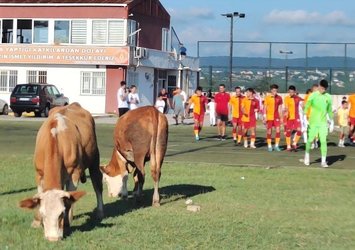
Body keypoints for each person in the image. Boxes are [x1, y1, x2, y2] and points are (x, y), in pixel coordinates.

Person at [303, 79, 334, 168]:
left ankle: (323, 161)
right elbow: (307, 105)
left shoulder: (328, 97)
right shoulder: (313, 95)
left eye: (324, 89)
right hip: (313, 122)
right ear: (319, 86)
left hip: (323, 123)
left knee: (323, 141)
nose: (322, 90)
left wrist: (331, 121)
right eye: (321, 88)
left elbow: (329, 110)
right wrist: (305, 117)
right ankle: (307, 156)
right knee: (310, 140)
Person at [263, 84, 283, 152]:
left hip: (276, 117)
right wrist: (264, 117)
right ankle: (269, 146)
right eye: (274, 90)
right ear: (271, 90)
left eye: (276, 90)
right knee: (269, 131)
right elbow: (265, 108)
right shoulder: (267, 98)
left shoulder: (279, 98)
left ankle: (276, 145)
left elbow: (280, 108)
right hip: (269, 117)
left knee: (278, 130)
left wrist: (281, 117)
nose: (275, 92)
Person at [283, 85, 304, 151]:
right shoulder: (286, 98)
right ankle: (288, 146)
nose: (291, 93)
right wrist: (286, 112)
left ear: (295, 92)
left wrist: (304, 105)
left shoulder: (298, 98)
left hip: (296, 117)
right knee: (288, 131)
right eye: (290, 92)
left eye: (292, 92)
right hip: (289, 117)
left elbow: (304, 103)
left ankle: (294, 143)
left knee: (299, 130)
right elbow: (286, 106)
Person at [304, 84, 319, 149]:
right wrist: (306, 114)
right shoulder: (308, 96)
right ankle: (312, 143)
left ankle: (316, 140)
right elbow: (305, 105)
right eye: (316, 89)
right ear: (313, 89)